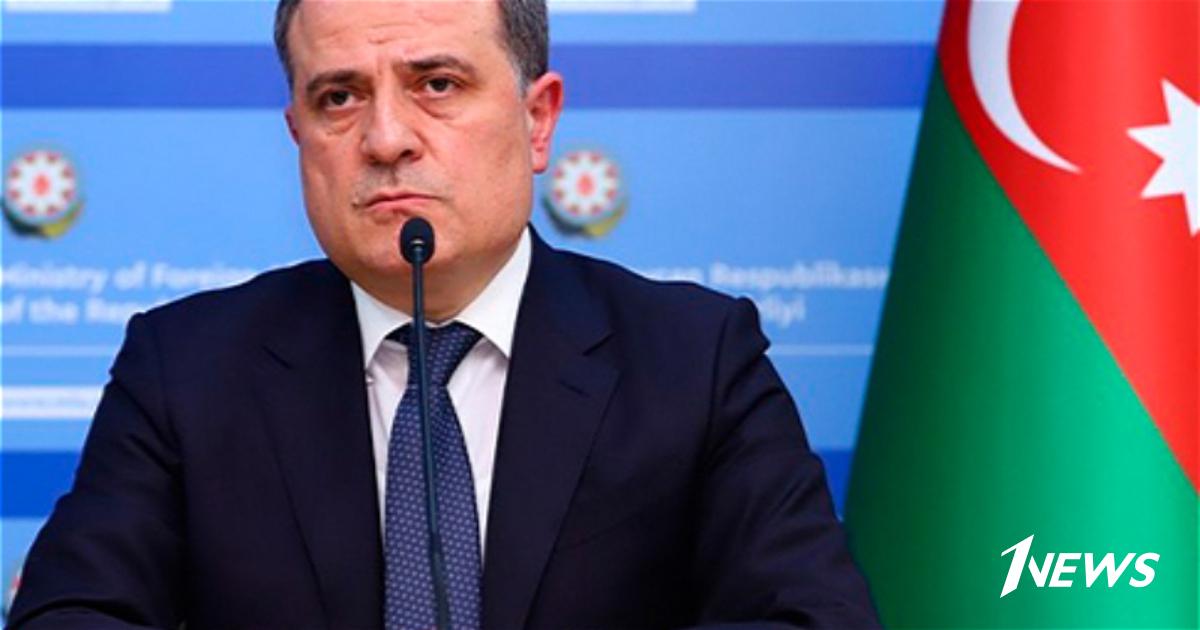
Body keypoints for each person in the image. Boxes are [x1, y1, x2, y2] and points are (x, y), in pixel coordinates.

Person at [8, 0, 880, 628]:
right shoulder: (187, 366)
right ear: (298, 134)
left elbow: (808, 617)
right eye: (339, 97)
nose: (386, 138)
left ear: (538, 121)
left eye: (436, 83)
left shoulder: (694, 358)